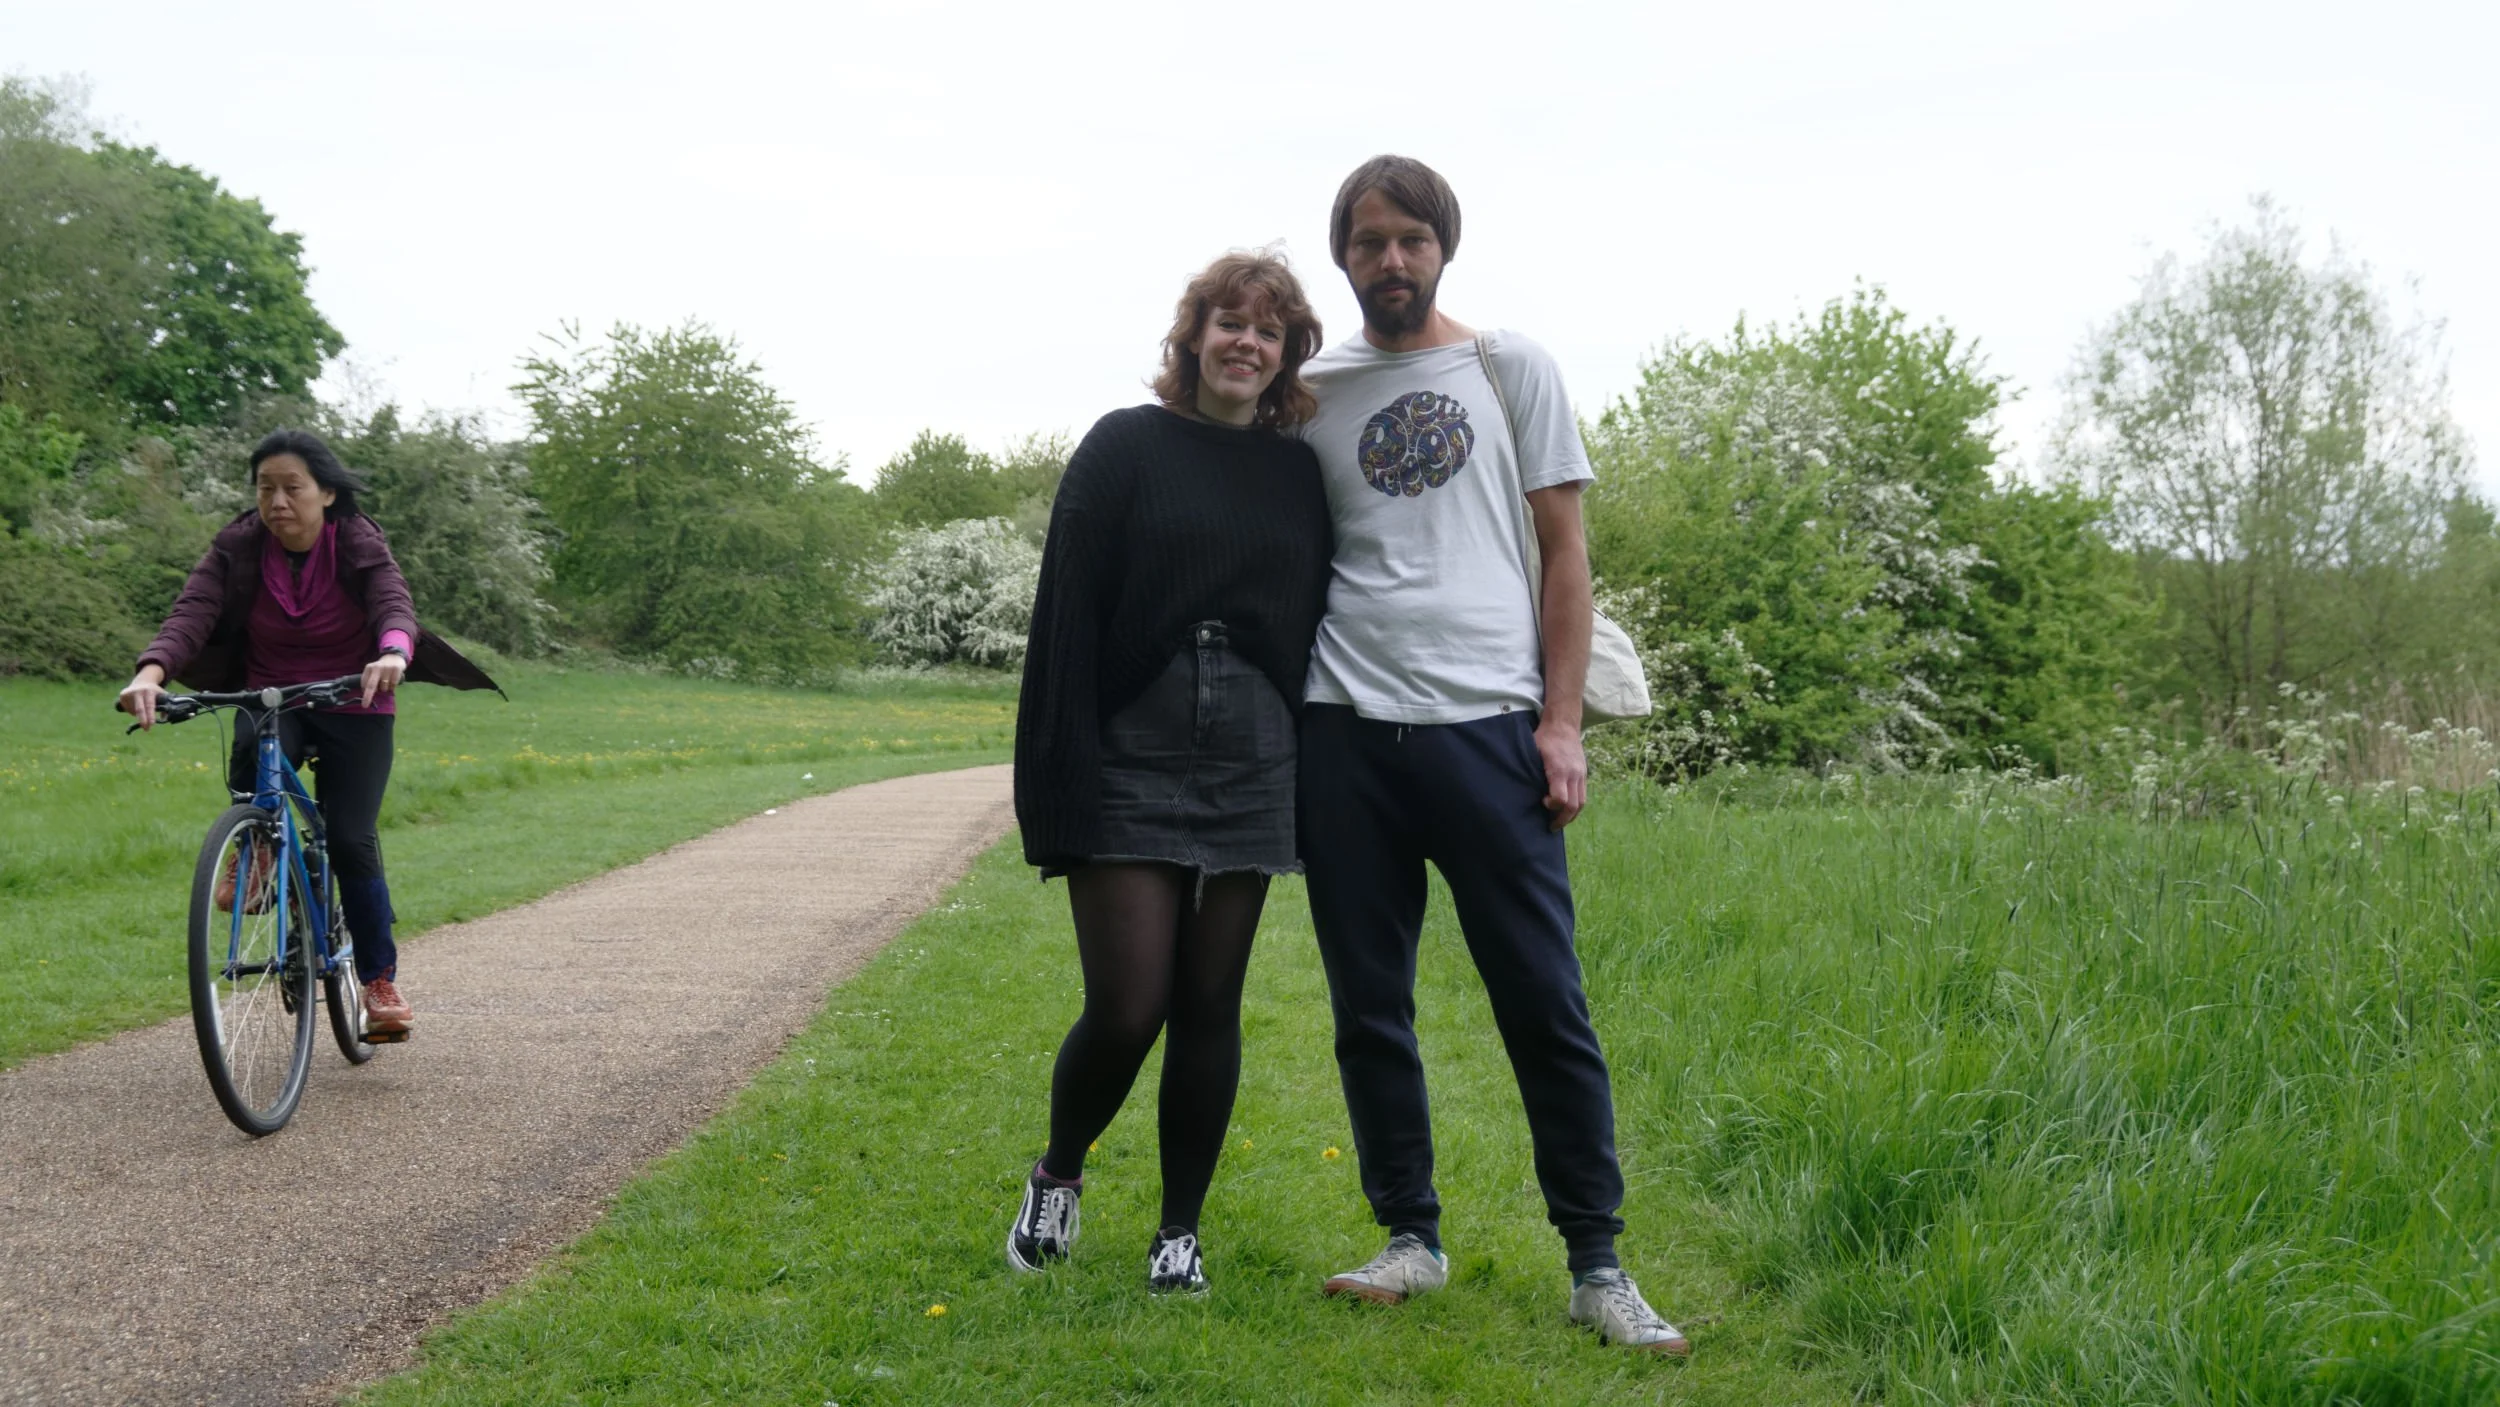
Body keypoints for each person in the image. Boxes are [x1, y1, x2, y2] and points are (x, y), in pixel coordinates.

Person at [1294, 156, 1691, 1353]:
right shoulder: (1312, 394)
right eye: (1369, 241)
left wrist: (1559, 723)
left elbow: (1565, 553)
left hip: (1488, 731)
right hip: (1345, 731)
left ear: (1443, 248)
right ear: (1343, 255)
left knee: (1542, 1003)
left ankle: (1597, 1266)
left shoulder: (1509, 367)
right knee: (1370, 1007)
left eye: (1411, 239)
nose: (1391, 260)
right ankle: (1408, 1238)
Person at [1008, 250, 1333, 1295]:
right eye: (1230, 322)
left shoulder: (1297, 472)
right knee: (1128, 1003)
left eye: (1269, 332)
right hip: (1131, 751)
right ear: (1193, 336)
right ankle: (1059, 1173)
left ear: (1285, 357)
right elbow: (1066, 616)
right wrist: (1056, 776)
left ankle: (1178, 1232)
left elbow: (1316, 617)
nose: (1247, 343)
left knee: (1209, 1003)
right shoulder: (1124, 446)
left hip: (1252, 753)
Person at [118, 428, 499, 1037]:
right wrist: (151, 672)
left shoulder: (356, 539)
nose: (277, 502)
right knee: (252, 757)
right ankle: (261, 845)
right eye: (265, 488)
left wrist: (393, 653)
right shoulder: (239, 546)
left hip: (357, 698)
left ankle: (378, 981)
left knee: (349, 837)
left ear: (326, 492)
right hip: (274, 696)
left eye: (292, 488)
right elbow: (193, 611)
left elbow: (392, 602)